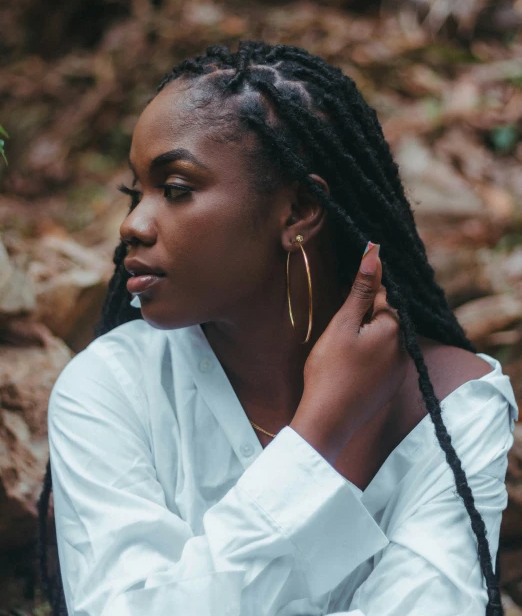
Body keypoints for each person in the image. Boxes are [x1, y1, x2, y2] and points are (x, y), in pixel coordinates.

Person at [38, 40, 518, 616]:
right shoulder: (111, 387)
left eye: (175, 190)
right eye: (134, 192)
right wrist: (319, 436)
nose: (132, 224)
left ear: (296, 211)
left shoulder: (455, 405)